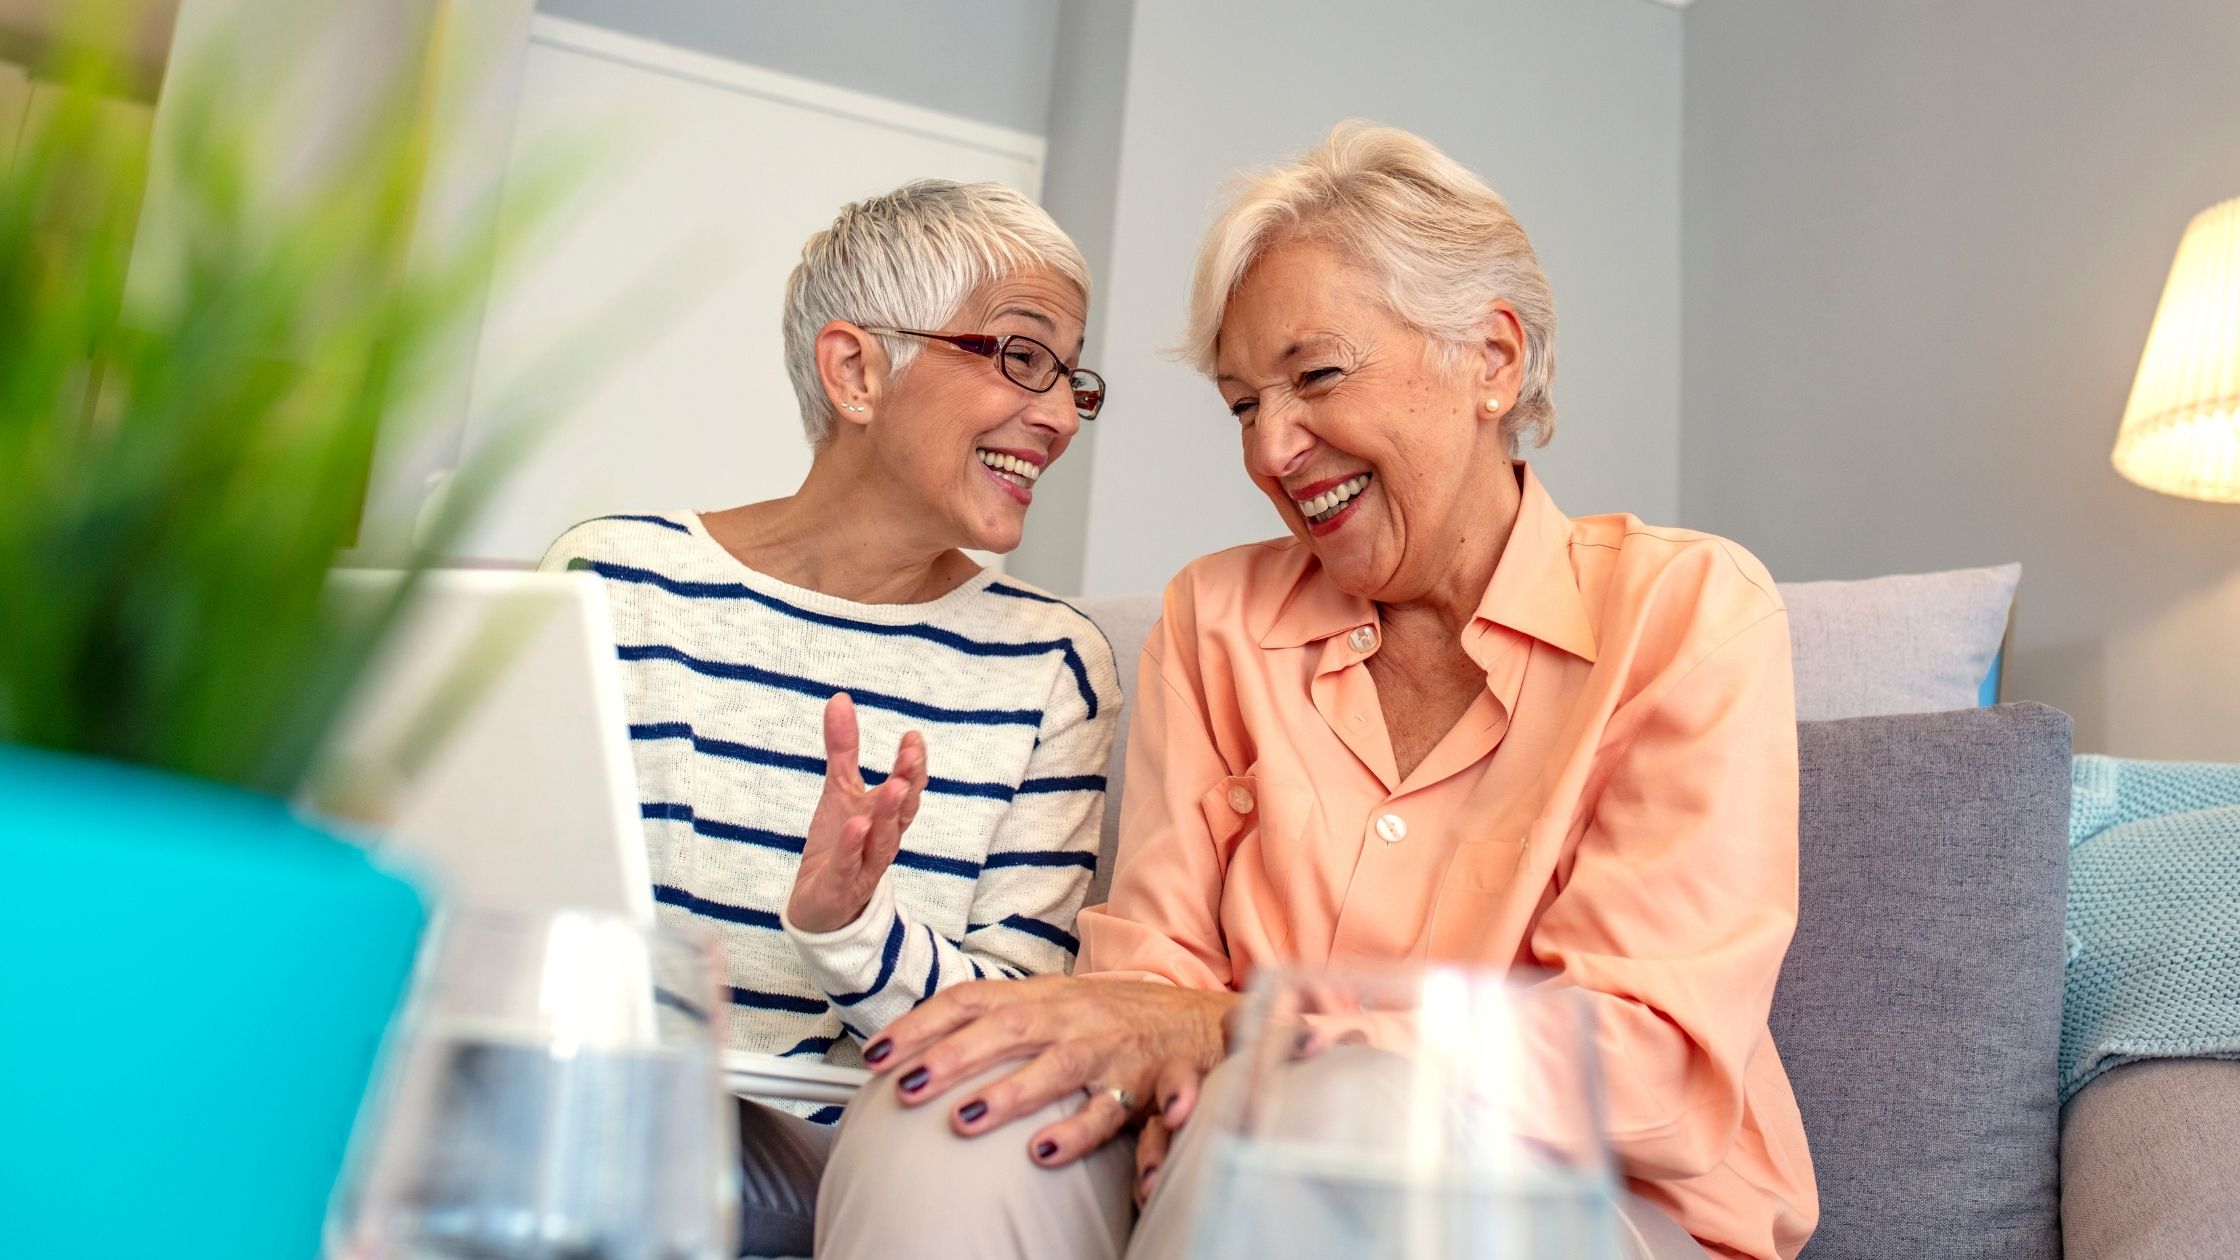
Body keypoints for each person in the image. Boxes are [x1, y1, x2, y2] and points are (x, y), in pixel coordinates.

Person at [813, 125, 1819, 1260]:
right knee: (952, 1104)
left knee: (1329, 1121)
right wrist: (1171, 1046)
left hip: (1591, 1208)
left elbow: (1643, 1061)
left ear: (1490, 358)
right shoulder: (1215, 622)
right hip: (1217, 1161)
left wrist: (1240, 1035)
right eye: (1242, 404)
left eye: (1316, 376)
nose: (1271, 449)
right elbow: (1146, 980)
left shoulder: (1684, 611)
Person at [536, 179, 1121, 1256]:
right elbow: (516, 900)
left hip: (850, 1173)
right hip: (589, 1116)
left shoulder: (1050, 666)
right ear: (856, 370)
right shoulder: (613, 582)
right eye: (1019, 357)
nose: (1054, 415)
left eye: (1070, 377)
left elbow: (1023, 1028)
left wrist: (849, 932)